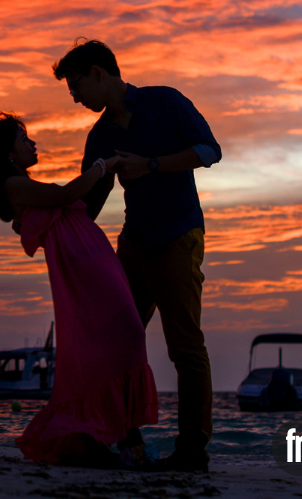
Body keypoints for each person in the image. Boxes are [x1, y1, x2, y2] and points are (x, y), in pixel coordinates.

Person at [52, 39, 221, 473]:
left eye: (76, 86)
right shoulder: (101, 135)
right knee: (114, 342)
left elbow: (209, 151)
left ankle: (192, 452)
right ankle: (127, 443)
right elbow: (90, 200)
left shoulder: (164, 102)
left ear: (98, 73)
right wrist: (51, 227)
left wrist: (150, 164)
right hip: (132, 245)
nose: (74, 97)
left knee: (185, 347)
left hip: (179, 236)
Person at [0, 113, 158, 468]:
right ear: (7, 154)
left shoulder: (21, 185)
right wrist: (103, 164)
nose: (31, 144)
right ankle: (126, 442)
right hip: (84, 269)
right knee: (124, 337)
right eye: (23, 139)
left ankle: (105, 438)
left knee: (120, 340)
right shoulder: (13, 185)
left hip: (91, 260)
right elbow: (67, 194)